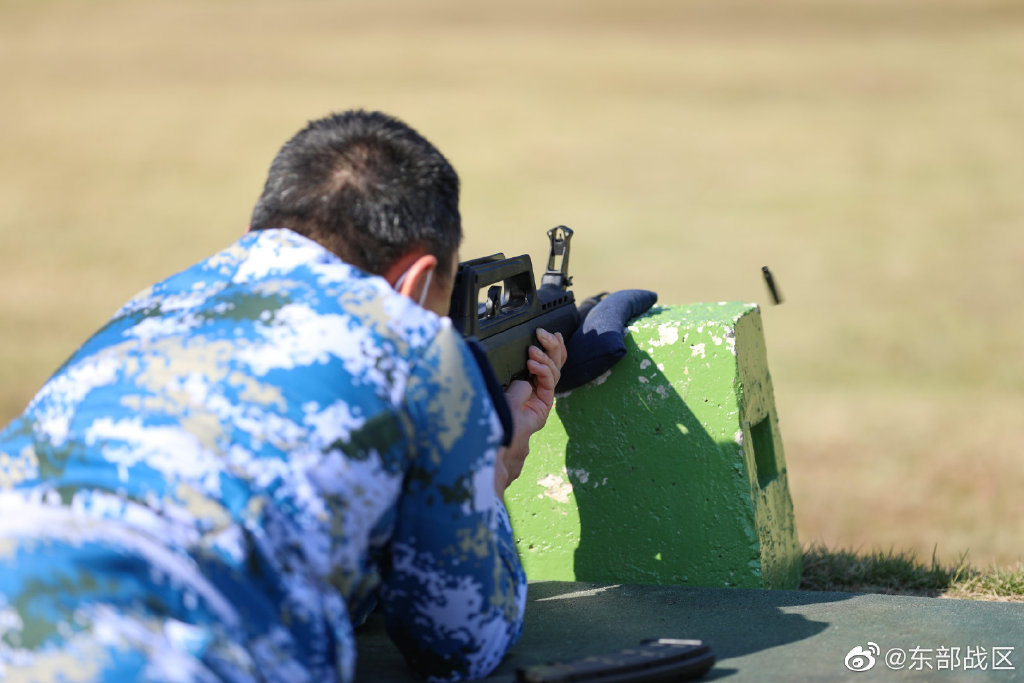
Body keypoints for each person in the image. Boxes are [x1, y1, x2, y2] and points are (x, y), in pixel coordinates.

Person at [0, 110, 566, 682]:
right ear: (414, 282)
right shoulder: (414, 343)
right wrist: (492, 470)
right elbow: (461, 640)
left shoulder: (147, 309)